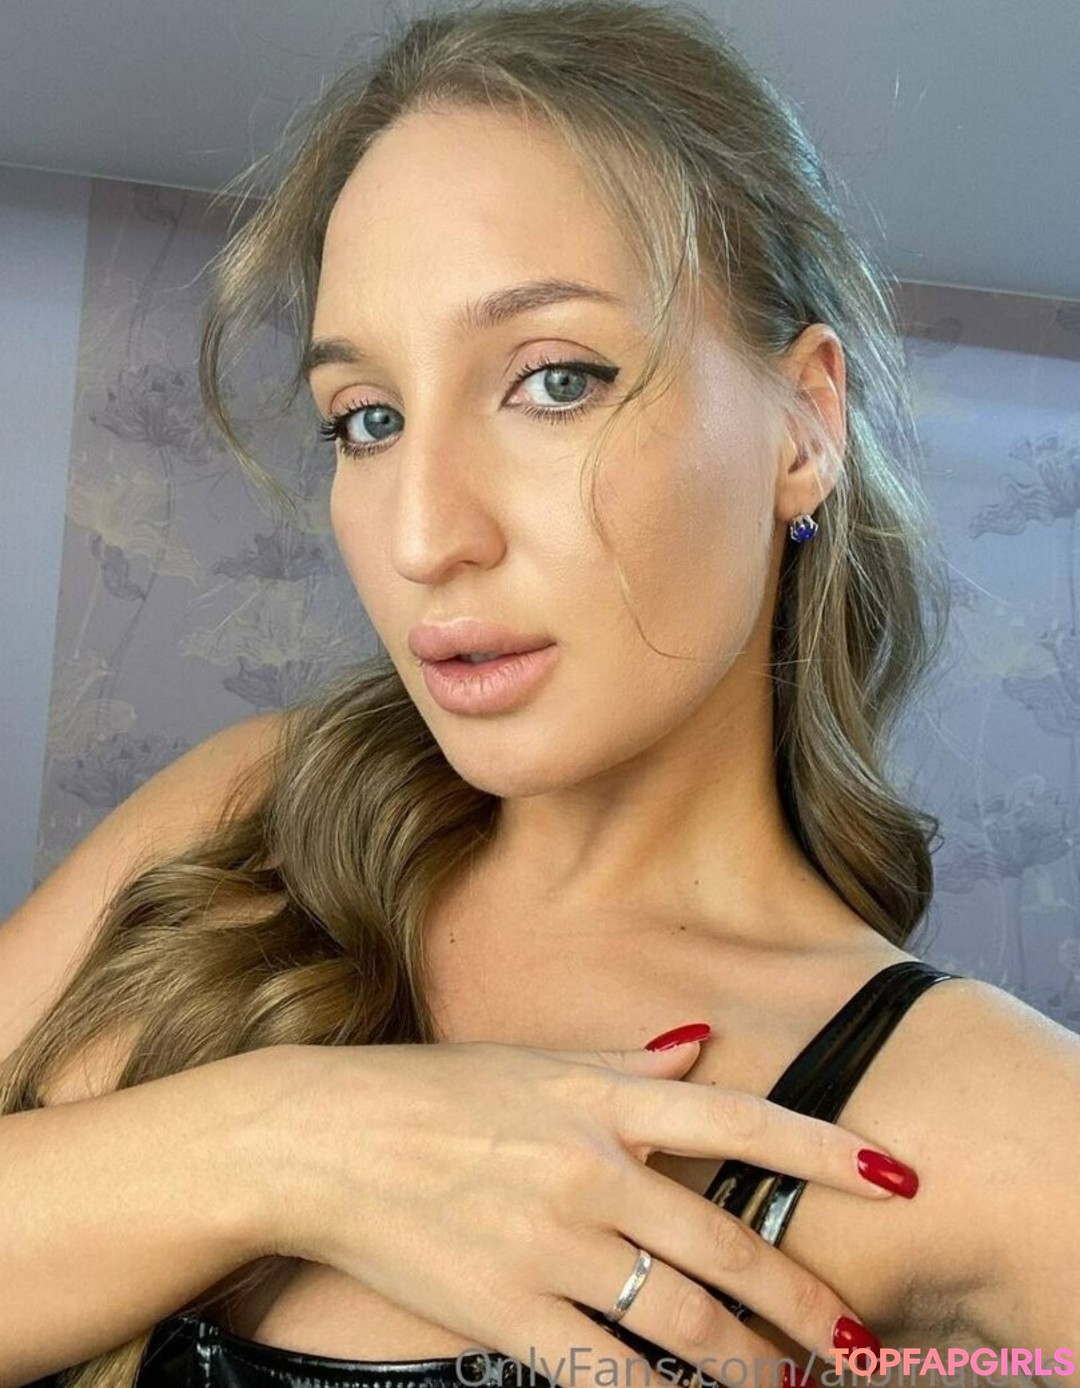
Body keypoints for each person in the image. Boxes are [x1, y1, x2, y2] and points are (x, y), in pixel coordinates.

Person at [1, 0, 1078, 1385]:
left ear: (806, 425)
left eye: (554, 381)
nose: (422, 535)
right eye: (368, 419)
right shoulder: (251, 816)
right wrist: (295, 1144)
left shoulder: (985, 1122)